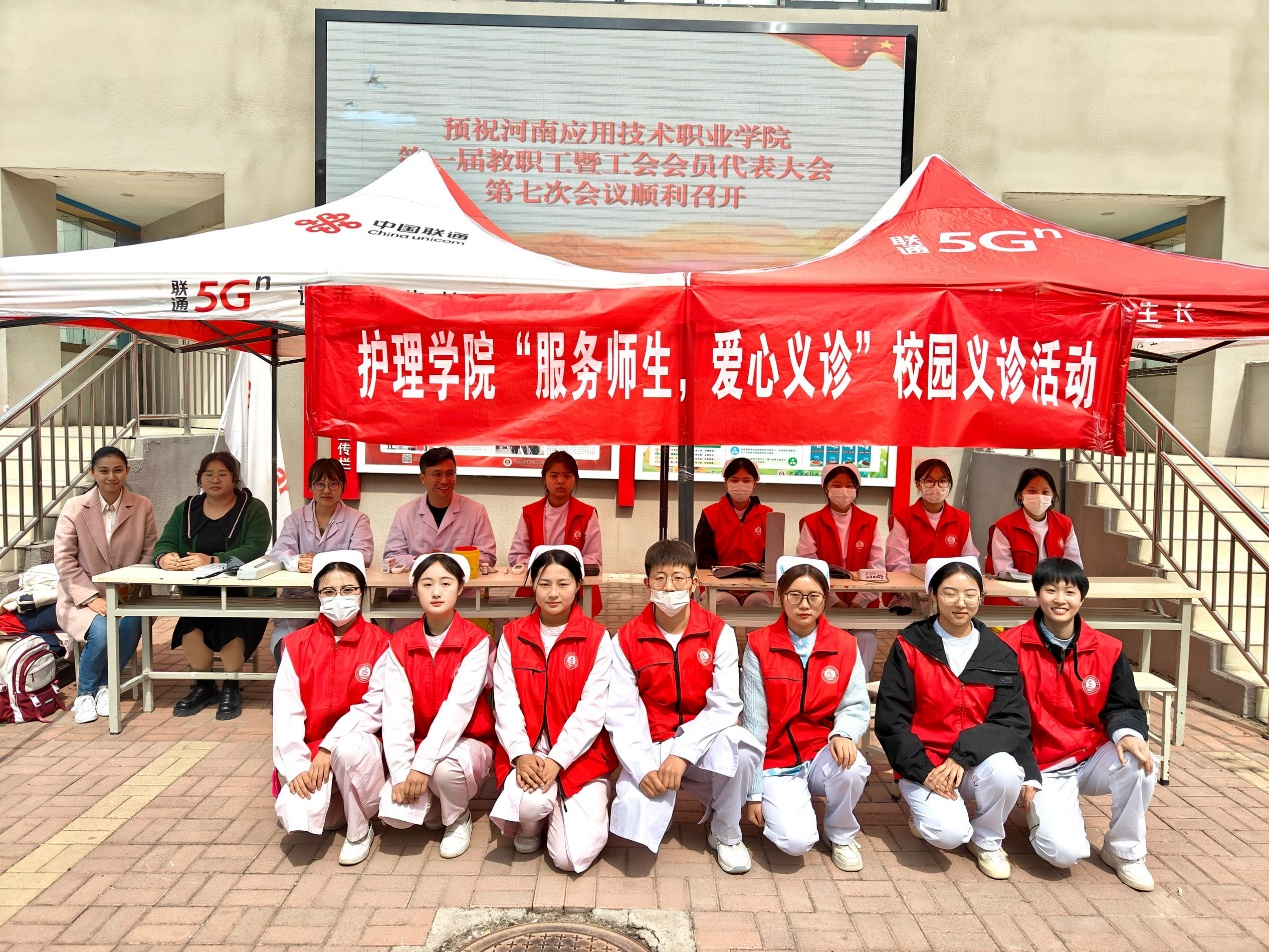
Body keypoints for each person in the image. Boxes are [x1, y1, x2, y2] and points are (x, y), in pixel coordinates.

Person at [875, 557, 1039, 881]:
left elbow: (1012, 721)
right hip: (927, 762)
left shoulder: (998, 653)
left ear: (981, 597)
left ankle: (988, 840)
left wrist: (963, 755)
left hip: (974, 761)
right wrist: (924, 771)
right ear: (933, 596)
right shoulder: (910, 646)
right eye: (949, 593)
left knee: (1007, 770)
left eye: (969, 593)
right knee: (949, 834)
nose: (960, 602)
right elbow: (892, 720)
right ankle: (926, 812)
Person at [605, 539, 762, 874]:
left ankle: (726, 833)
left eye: (678, 578)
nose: (669, 587)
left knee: (743, 750)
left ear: (694, 583)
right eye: (660, 578)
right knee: (637, 815)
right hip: (653, 745)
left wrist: (684, 751)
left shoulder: (718, 632)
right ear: (647, 583)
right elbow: (620, 712)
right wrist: (640, 767)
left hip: (702, 742)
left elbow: (725, 705)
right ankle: (657, 798)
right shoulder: (627, 639)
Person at [1001, 558, 1158, 891]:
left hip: (1090, 755)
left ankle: (1124, 851)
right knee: (1063, 853)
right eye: (1051, 590)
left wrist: (1127, 733)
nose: (1060, 599)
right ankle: (1041, 813)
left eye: (1069, 591)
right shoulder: (1010, 647)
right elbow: (1004, 716)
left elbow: (1124, 705)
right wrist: (1026, 769)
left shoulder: (1108, 649)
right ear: (1037, 595)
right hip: (1044, 764)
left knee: (1141, 762)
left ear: (1081, 598)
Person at [491, 544, 617, 872]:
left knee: (570, 858)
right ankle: (533, 825)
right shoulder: (512, 636)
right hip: (530, 751)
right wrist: (520, 753)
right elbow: (505, 702)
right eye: (544, 583)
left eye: (563, 584)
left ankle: (566, 806)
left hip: (581, 755)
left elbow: (592, 710)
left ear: (578, 586)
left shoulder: (597, 638)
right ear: (533, 585)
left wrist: (558, 759)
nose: (553, 593)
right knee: (529, 805)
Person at [741, 557, 872, 871]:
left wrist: (844, 733)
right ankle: (796, 808)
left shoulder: (845, 645)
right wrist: (754, 791)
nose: (804, 605)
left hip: (822, 751)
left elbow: (855, 705)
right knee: (795, 842)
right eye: (795, 595)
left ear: (825, 599)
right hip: (778, 759)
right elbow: (755, 722)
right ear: (780, 597)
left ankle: (841, 833)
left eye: (814, 596)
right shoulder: (759, 645)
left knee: (854, 766)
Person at [272, 551, 390, 866]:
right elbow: (286, 711)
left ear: (362, 592)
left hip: (360, 749)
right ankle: (337, 804)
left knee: (349, 749)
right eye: (329, 591)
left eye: (349, 589)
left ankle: (359, 830)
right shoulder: (296, 644)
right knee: (298, 815)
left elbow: (373, 709)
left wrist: (329, 746)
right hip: (311, 755)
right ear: (318, 595)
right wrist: (296, 766)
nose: (339, 598)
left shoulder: (382, 643)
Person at [378, 552, 495, 858]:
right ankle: (433, 804)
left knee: (444, 770)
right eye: (427, 584)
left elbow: (458, 709)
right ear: (415, 589)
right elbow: (396, 712)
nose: (436, 591)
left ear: (460, 588)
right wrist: (401, 771)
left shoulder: (476, 641)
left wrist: (422, 766)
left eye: (446, 583)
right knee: (395, 817)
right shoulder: (399, 643)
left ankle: (457, 816)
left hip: (467, 741)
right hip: (417, 743)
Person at [152, 451, 272, 720]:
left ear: (234, 478)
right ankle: (204, 686)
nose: (215, 480)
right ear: (200, 478)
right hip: (199, 593)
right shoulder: (186, 509)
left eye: (222, 474)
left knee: (233, 631)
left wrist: (214, 560)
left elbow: (255, 547)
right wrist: (165, 558)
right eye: (209, 474)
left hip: (243, 594)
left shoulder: (253, 508)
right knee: (191, 632)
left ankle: (231, 686)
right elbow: (165, 542)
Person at [54, 446, 158, 724]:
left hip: (127, 594)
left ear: (127, 471)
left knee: (131, 623)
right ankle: (85, 693)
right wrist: (90, 598)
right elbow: (64, 559)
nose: (111, 476)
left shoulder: (142, 505)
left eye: (118, 470)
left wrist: (125, 591)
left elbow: (149, 552)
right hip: (80, 598)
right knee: (101, 631)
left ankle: (105, 687)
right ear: (92, 473)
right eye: (103, 470)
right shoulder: (75, 507)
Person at [267, 458, 374, 663]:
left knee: (339, 653)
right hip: (298, 597)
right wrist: (296, 562)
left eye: (333, 484)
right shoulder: (296, 518)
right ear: (310, 487)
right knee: (287, 650)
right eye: (319, 484)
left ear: (343, 487)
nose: (326, 490)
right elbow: (278, 552)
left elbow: (364, 556)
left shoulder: (357, 519)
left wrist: (320, 562)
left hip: (340, 598)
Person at [796, 462, 885, 676]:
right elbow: (808, 566)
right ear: (826, 488)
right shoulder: (811, 523)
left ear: (857, 489)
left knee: (866, 638)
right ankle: (827, 685)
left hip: (863, 605)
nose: (843, 490)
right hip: (822, 605)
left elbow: (877, 567)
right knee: (824, 641)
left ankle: (859, 687)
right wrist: (832, 600)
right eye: (837, 485)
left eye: (849, 485)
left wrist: (859, 602)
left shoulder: (870, 523)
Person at [507, 451, 604, 615]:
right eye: (553, 475)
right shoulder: (529, 513)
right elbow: (516, 556)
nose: (560, 481)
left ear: (575, 479)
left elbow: (594, 558)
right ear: (544, 479)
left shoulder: (587, 514)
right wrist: (546, 571)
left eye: (567, 476)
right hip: (537, 586)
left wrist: (561, 571)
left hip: (575, 588)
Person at [885, 458, 978, 611]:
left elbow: (968, 561)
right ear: (918, 484)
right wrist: (920, 591)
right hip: (910, 598)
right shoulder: (903, 518)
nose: (936, 487)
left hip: (950, 598)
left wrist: (948, 591)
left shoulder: (962, 519)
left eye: (942, 481)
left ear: (949, 484)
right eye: (929, 481)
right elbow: (897, 564)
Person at [382, 447, 497, 572]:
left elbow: (488, 557)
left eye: (450, 474)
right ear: (422, 478)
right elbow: (392, 557)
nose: (444, 480)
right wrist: (422, 560)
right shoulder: (404, 513)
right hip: (417, 582)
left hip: (462, 583)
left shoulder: (476, 511)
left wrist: (449, 562)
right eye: (437, 474)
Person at [985, 468, 1081, 605]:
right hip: (1012, 601)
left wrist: (1052, 596)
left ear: (1053, 496)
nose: (1039, 496)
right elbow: (1004, 573)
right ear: (1020, 494)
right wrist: (1037, 599)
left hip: (1054, 600)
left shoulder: (1064, 524)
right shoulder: (1004, 527)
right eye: (1032, 491)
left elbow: (1073, 566)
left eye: (1045, 492)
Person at [694, 457, 775, 608]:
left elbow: (771, 559)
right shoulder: (710, 514)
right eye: (735, 480)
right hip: (717, 586)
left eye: (746, 480)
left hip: (758, 586)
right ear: (726, 482)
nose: (740, 485)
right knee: (723, 601)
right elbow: (704, 558)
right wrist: (728, 587)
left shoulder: (768, 515)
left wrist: (749, 586)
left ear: (754, 483)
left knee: (758, 601)